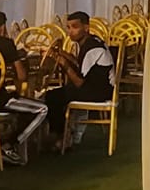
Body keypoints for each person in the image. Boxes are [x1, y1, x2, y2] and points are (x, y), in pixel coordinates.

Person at [43, 11, 114, 150]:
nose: (70, 32)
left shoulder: (91, 48)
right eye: (68, 27)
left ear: (86, 27)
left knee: (53, 97)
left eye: (75, 27)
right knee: (58, 94)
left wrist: (64, 63)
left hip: (98, 92)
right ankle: (64, 133)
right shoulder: (92, 41)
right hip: (99, 86)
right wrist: (63, 54)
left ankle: (61, 137)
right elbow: (82, 65)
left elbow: (79, 82)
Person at [0, 10, 44, 164]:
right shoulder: (6, 44)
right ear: (2, 27)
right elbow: (21, 76)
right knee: (41, 109)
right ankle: (9, 145)